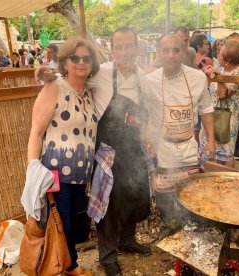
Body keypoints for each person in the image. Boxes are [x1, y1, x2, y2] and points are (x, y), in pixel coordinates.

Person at [27, 37, 100, 276]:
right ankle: (67, 268)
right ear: (65, 62)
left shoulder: (89, 92)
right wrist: (33, 168)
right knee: (61, 223)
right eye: (75, 58)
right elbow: (36, 131)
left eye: (86, 58)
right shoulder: (54, 87)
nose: (81, 62)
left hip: (79, 173)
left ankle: (66, 265)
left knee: (69, 223)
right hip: (56, 172)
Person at [89, 27, 151, 276]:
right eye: (119, 47)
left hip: (132, 148)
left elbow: (147, 112)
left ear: (136, 49)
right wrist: (47, 76)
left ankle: (127, 241)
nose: (124, 52)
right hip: (107, 151)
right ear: (112, 50)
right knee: (110, 205)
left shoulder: (142, 78)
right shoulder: (101, 73)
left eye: (128, 47)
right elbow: (71, 78)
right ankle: (107, 256)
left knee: (134, 197)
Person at [143, 34, 215, 234]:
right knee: (163, 191)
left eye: (176, 50)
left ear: (183, 52)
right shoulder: (149, 81)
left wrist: (211, 140)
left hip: (188, 145)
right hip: (163, 146)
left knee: (189, 190)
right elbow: (143, 113)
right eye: (165, 51)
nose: (171, 55)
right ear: (158, 53)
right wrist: (147, 139)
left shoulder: (198, 77)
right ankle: (168, 225)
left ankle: (190, 227)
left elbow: (206, 109)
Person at [204, 39, 239, 168]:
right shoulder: (224, 69)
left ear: (228, 59)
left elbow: (223, 95)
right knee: (215, 149)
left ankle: (225, 178)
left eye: (220, 54)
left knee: (226, 151)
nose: (217, 55)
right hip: (216, 114)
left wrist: (219, 79)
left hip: (227, 118)